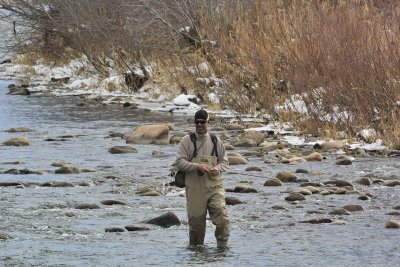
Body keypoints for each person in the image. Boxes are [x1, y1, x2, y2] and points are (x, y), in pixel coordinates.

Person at [175, 109, 230, 248]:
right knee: (196, 229)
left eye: (202, 122)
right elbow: (179, 162)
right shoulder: (186, 141)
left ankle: (222, 250)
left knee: (222, 219)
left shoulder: (215, 140)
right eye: (197, 122)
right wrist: (196, 166)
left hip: (214, 188)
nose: (199, 125)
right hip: (195, 190)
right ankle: (197, 256)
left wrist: (217, 168)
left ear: (207, 122)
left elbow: (225, 162)